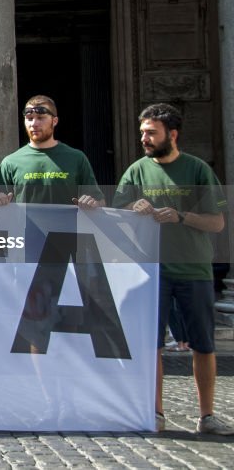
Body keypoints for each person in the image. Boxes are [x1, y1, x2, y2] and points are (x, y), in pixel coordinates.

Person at [113, 103, 233, 435]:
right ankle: (154, 413)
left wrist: (180, 216)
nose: (144, 139)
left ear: (173, 134)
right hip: (151, 272)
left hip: (194, 271)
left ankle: (207, 416)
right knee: (151, 344)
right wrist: (131, 210)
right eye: (142, 133)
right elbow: (116, 216)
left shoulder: (197, 170)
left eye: (151, 132)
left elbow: (218, 223)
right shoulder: (136, 171)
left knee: (203, 344)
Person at [0, 94, 104, 208]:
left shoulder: (77, 158)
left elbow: (100, 203)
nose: (34, 124)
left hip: (67, 226)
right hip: (25, 226)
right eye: (29, 119)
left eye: (40, 118)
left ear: (54, 121)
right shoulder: (10, 162)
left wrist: (92, 203)